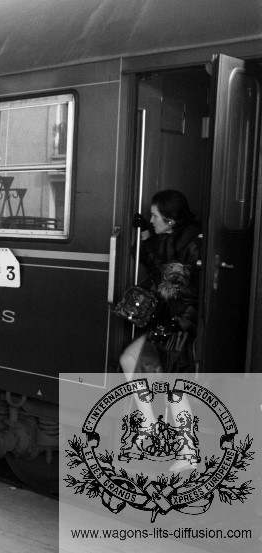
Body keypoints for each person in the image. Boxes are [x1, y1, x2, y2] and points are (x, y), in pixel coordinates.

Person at [118, 190, 201, 472]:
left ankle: (187, 451)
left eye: (154, 216)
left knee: (174, 390)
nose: (151, 219)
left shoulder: (190, 244)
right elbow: (155, 263)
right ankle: (150, 426)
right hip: (168, 321)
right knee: (132, 361)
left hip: (178, 322)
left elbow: (172, 282)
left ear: (170, 219)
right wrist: (146, 236)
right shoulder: (175, 238)